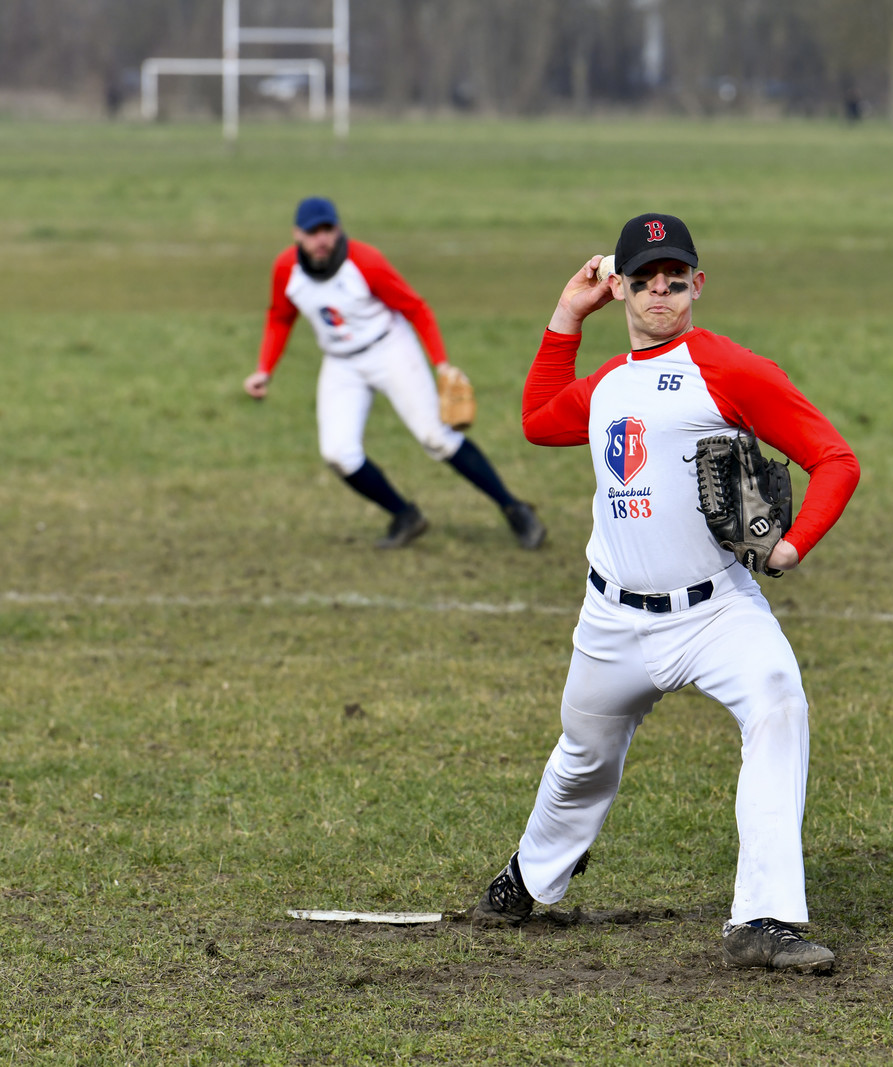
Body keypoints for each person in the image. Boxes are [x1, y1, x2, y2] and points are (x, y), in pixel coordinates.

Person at [472, 213, 860, 973]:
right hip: (612, 618)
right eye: (643, 278)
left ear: (697, 285)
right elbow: (536, 422)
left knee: (779, 700)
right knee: (582, 761)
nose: (660, 292)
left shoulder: (732, 369)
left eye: (674, 279)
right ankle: (530, 874)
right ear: (618, 284)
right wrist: (564, 318)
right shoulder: (608, 385)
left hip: (718, 609)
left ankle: (765, 919)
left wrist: (791, 545)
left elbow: (834, 458)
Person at [244, 197, 546, 550]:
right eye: (312, 232)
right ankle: (405, 516)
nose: (321, 239)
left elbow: (416, 308)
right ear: (297, 235)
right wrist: (264, 369)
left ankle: (515, 509)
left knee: (437, 438)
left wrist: (441, 363)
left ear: (338, 228)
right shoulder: (286, 269)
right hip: (341, 362)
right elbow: (280, 316)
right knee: (338, 453)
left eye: (328, 229)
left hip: (389, 348)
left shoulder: (364, 262)